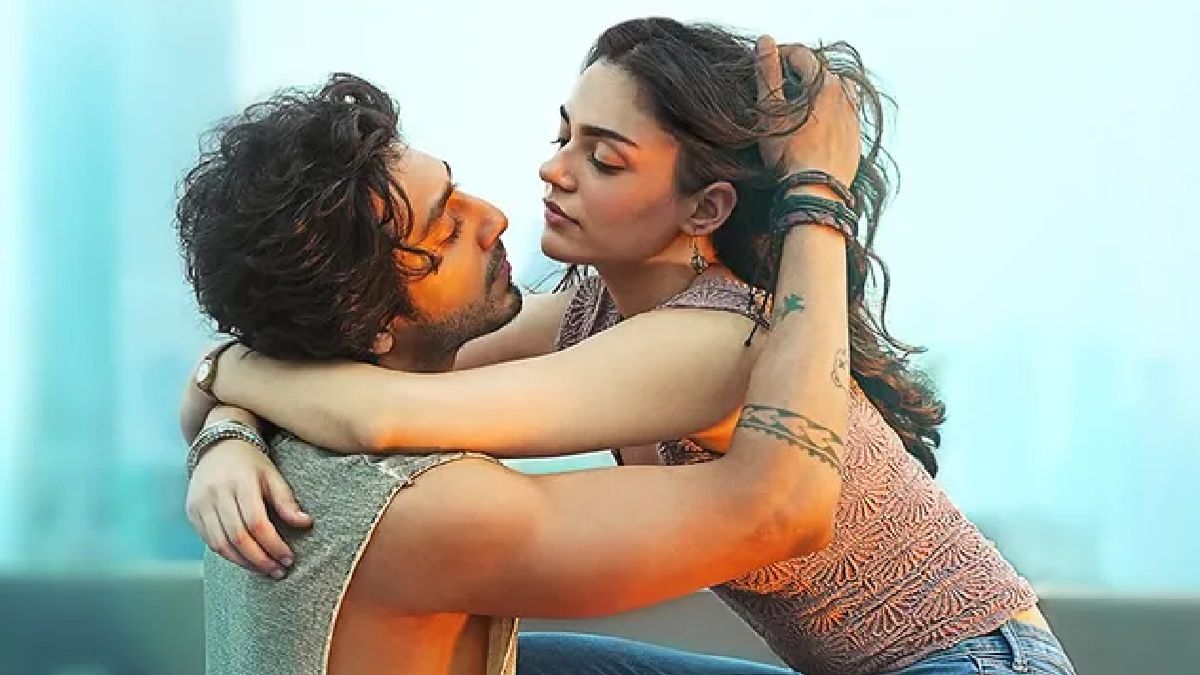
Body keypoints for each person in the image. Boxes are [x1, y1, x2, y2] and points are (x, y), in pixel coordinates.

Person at [186, 18, 1078, 675]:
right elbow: (347, 345)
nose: (552, 171)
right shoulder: (591, 316)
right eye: (562, 137)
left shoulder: (719, 337)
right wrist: (228, 428)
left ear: (706, 209)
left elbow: (387, 412)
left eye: (604, 159)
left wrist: (233, 374)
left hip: (978, 660)